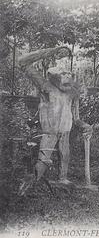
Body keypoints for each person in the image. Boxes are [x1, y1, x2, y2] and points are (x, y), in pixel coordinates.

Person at [17, 47, 93, 195]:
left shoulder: (72, 93)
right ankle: (33, 183)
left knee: (65, 155)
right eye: (63, 74)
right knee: (43, 160)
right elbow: (22, 62)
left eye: (68, 74)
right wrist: (49, 52)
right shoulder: (46, 87)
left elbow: (76, 118)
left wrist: (85, 126)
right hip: (49, 131)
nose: (67, 77)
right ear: (53, 76)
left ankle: (62, 178)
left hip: (65, 132)